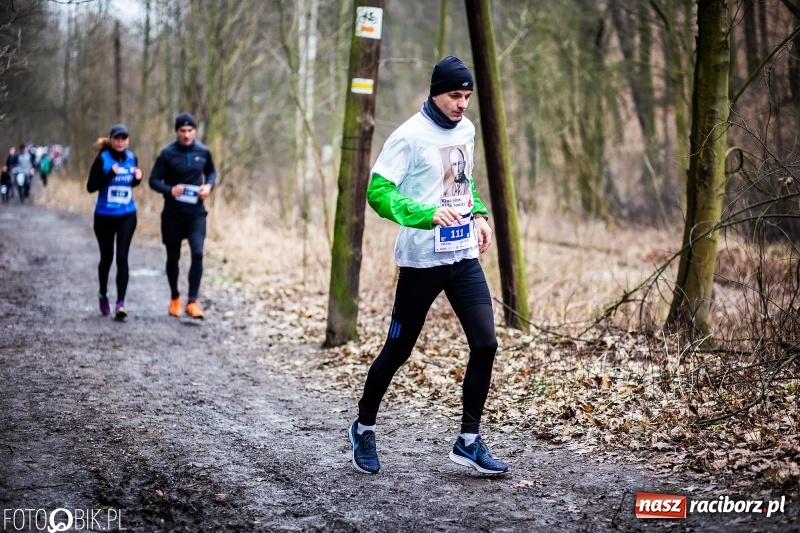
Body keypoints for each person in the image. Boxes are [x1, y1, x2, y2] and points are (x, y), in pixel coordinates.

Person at [348, 56, 508, 476]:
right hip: (421, 261)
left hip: (462, 257)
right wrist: (425, 214)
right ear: (436, 92)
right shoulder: (409, 136)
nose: (462, 105)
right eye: (455, 95)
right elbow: (378, 193)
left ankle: (468, 442)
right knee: (399, 349)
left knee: (486, 344)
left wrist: (479, 214)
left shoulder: (467, 130)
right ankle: (363, 428)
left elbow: (461, 180)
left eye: (467, 97)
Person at [148, 112, 217, 319]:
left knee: (197, 253)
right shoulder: (167, 153)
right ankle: (175, 297)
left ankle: (193, 302)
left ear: (195, 131)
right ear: (176, 132)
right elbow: (153, 180)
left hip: (196, 213)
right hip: (172, 215)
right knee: (173, 257)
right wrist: (170, 189)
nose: (186, 135)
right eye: (182, 131)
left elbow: (212, 172)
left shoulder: (203, 151)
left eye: (190, 131)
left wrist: (209, 186)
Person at [86, 124, 142, 319]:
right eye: (117, 138)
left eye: (124, 138)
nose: (120, 141)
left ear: (128, 140)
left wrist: (137, 179)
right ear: (110, 140)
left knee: (122, 257)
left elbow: (130, 183)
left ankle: (121, 304)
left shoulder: (132, 157)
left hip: (127, 214)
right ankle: (103, 293)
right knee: (107, 258)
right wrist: (110, 174)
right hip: (104, 217)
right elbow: (90, 187)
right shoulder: (103, 159)